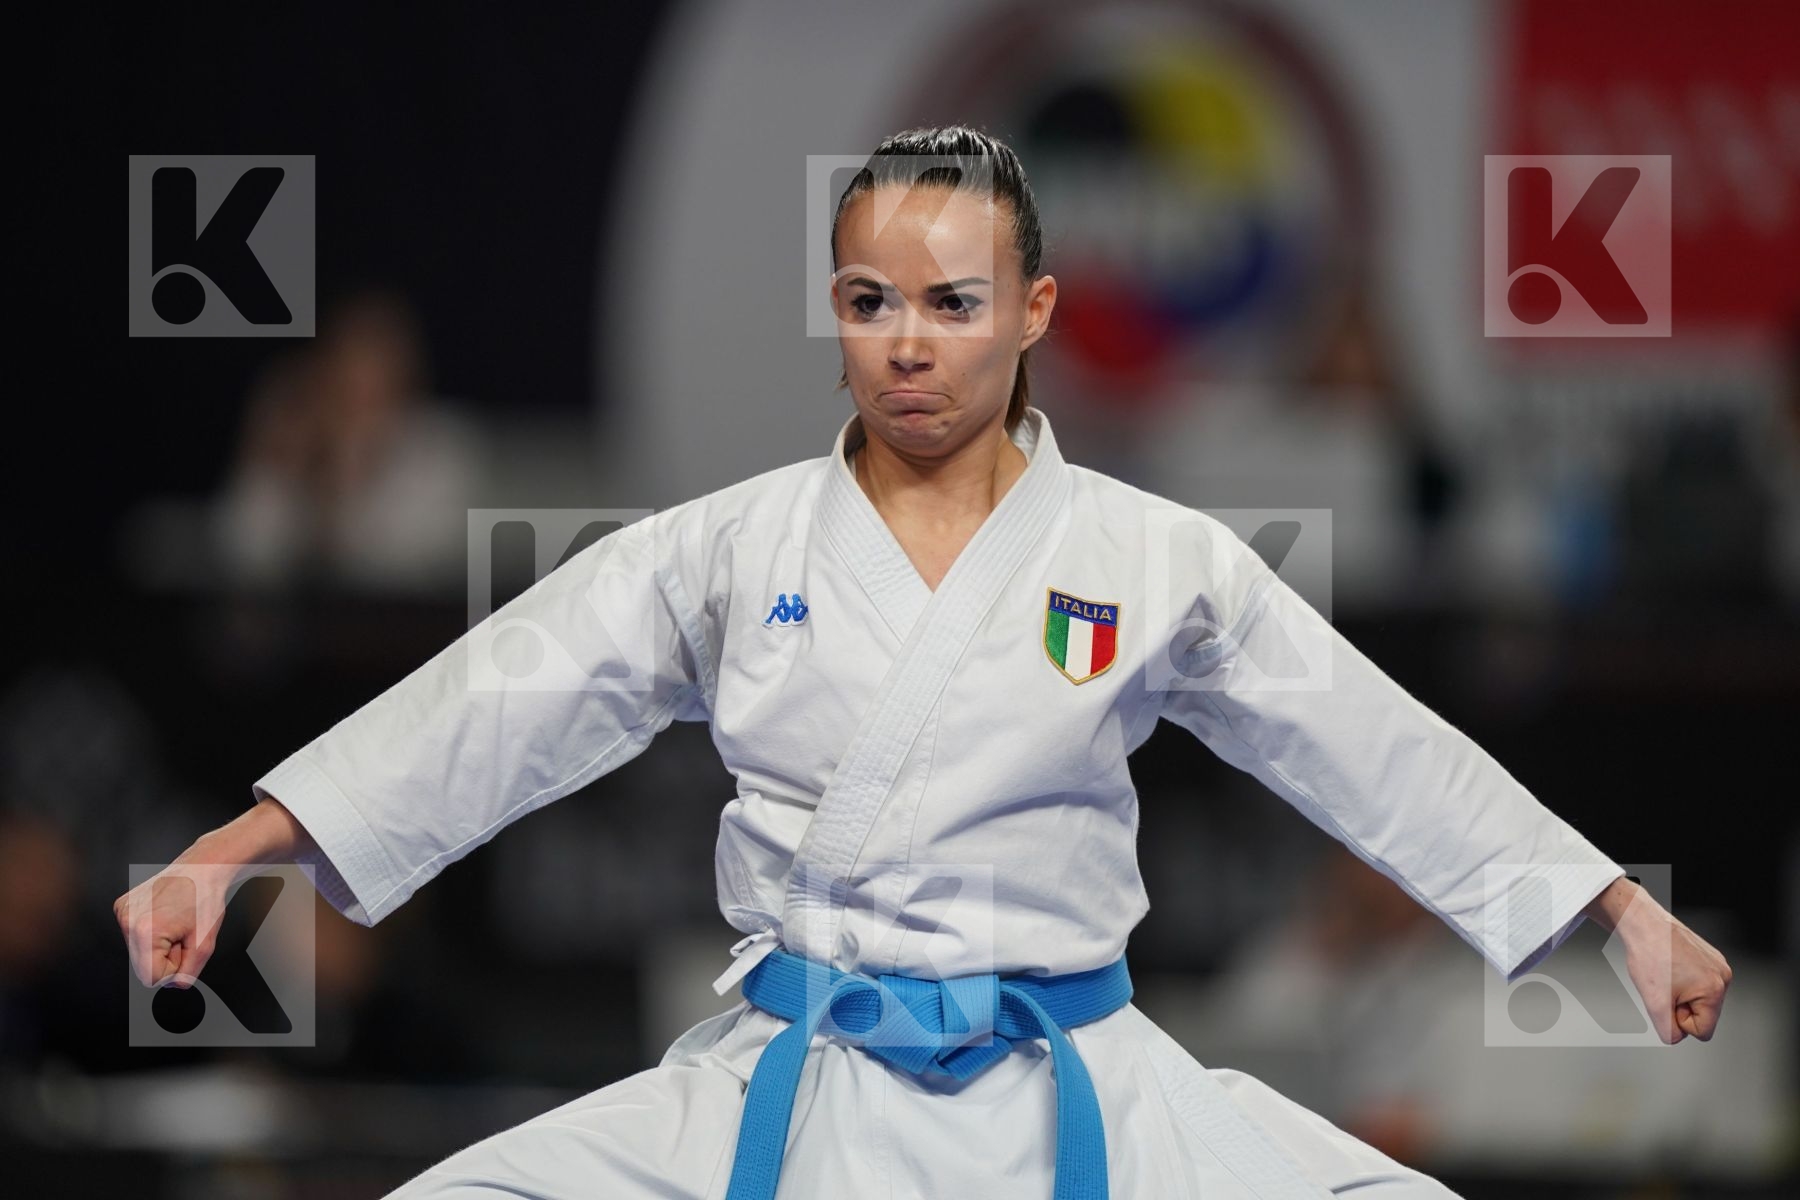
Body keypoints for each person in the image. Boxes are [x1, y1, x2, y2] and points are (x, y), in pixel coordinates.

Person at [115, 126, 1733, 1199]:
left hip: (1075, 1085)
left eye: (953, 302)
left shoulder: (1151, 557)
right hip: (795, 1078)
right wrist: (232, 854)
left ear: (1030, 310)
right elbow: (500, 704)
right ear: (835, 307)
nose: (908, 339)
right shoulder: (732, 546)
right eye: (873, 298)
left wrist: (1614, 911)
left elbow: (1373, 746)